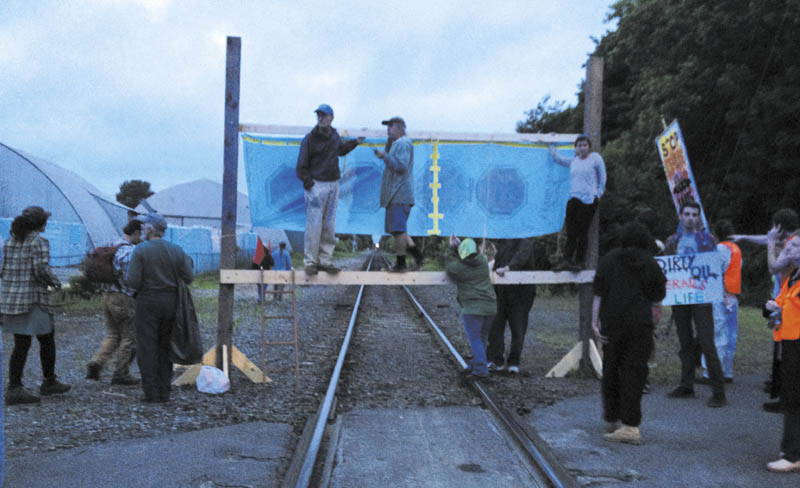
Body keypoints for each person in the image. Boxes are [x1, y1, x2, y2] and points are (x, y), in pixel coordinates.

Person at [593, 222, 666, 445]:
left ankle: (612, 417)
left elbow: (598, 294)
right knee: (634, 373)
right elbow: (658, 295)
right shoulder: (650, 263)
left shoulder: (608, 260)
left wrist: (594, 324)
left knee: (611, 369)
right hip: (640, 324)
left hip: (612, 323)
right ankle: (630, 425)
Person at [1, 206, 71, 405]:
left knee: (21, 343)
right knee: (47, 339)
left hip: (12, 300)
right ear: (40, 223)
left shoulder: (10, 241)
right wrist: (55, 282)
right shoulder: (38, 241)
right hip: (33, 300)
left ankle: (15, 386)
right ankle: (46, 382)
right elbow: (41, 270)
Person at [732, 208, 799, 411]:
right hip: (787, 296)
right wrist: (744, 237)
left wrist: (770, 244)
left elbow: (773, 267)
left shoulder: (793, 244)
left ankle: (786, 399)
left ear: (779, 227)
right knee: (783, 348)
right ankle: (781, 391)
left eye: (773, 226)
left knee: (787, 349)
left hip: (791, 302)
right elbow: (766, 238)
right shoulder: (791, 239)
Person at [662, 201, 727, 407]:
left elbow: (714, 267)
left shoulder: (707, 240)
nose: (690, 218)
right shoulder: (672, 241)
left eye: (694, 214)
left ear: (698, 218)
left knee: (707, 342)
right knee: (685, 342)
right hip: (680, 295)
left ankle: (719, 392)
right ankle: (686, 384)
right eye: (687, 214)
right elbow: (667, 267)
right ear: (680, 216)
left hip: (701, 295)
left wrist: (720, 290)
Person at [125, 213, 193, 403]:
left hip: (147, 302)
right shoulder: (177, 250)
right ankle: (164, 392)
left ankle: (151, 393)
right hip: (171, 302)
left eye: (143, 227)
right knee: (165, 347)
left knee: (147, 347)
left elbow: (133, 281)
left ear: (149, 229)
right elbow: (189, 277)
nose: (142, 231)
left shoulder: (140, 250)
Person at [296, 103, 364, 275]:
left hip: (334, 184)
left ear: (331, 118)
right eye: (318, 115)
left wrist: (356, 142)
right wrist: (310, 186)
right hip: (317, 185)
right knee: (314, 225)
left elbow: (341, 150)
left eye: (323, 115)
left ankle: (325, 261)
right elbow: (301, 167)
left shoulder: (334, 136)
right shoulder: (309, 139)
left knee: (329, 225)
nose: (320, 118)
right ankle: (310, 262)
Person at [86, 219, 144, 385]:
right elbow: (129, 277)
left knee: (113, 334)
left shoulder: (112, 244)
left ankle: (97, 362)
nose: (142, 238)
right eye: (141, 234)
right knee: (129, 337)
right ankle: (121, 373)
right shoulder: (128, 251)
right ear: (136, 232)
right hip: (122, 297)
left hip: (107, 296)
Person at [763, 244, 800, 472]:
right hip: (790, 341)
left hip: (797, 342)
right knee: (791, 396)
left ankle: (792, 454)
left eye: (796, 245)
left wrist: (780, 308)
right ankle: (792, 450)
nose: (790, 248)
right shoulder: (793, 276)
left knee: (793, 397)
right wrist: (770, 308)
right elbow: (782, 302)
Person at [549, 134, 607, 271]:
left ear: (589, 147)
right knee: (571, 232)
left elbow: (603, 176)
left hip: (588, 200)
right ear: (575, 148)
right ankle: (567, 260)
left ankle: (580, 262)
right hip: (573, 198)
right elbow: (559, 159)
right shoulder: (574, 161)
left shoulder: (595, 158)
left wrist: (598, 194)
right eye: (579, 145)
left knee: (582, 231)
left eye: (584, 145)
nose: (582, 148)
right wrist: (552, 145)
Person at [374, 116, 424, 272]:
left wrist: (385, 156)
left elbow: (401, 166)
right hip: (397, 194)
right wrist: (387, 151)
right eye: (387, 126)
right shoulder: (398, 143)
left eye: (391, 126)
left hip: (399, 193)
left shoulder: (403, 143)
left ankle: (401, 264)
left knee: (398, 230)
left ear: (400, 129)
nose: (388, 129)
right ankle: (418, 256)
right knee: (398, 229)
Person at [445, 237, 496, 379]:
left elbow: (449, 264)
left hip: (473, 308)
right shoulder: (483, 261)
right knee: (482, 337)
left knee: (475, 338)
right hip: (490, 307)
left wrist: (452, 248)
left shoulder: (459, 268)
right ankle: (479, 362)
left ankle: (480, 369)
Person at [485, 239, 536, 374]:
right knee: (495, 326)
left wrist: (508, 268)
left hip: (521, 295)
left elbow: (521, 257)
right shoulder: (505, 242)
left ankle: (514, 362)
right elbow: (497, 261)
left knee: (518, 329)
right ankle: (496, 360)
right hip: (502, 293)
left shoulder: (525, 240)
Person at [699, 220, 741, 383]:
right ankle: (727, 371)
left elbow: (712, 270)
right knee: (730, 335)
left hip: (720, 295)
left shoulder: (720, 249)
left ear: (716, 234)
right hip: (732, 295)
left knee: (717, 334)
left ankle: (712, 373)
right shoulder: (736, 249)